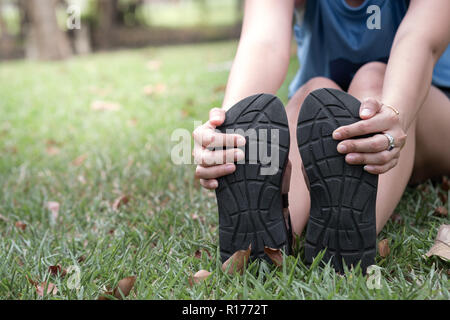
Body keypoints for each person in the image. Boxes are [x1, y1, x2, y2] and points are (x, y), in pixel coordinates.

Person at [192, 0, 450, 270]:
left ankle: (344, 229)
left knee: (373, 80)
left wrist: (394, 115)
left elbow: (420, 40)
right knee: (314, 93)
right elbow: (264, 41)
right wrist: (228, 127)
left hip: (425, 109)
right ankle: (281, 233)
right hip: (321, 124)